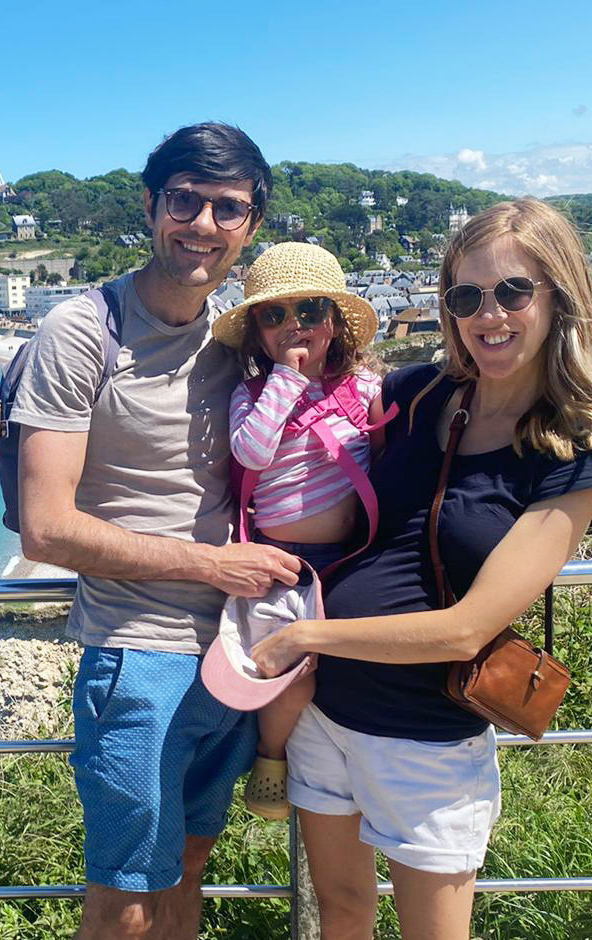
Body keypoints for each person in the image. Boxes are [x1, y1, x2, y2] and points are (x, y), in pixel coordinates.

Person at [250, 198, 592, 940]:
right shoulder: (421, 394)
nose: (490, 314)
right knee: (342, 917)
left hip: (425, 735)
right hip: (326, 716)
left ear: (560, 297)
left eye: (514, 291)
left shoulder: (576, 452)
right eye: (466, 296)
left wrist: (303, 640)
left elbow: (468, 629)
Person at [11, 122, 301, 940]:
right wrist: (214, 565)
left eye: (228, 208)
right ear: (149, 204)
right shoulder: (81, 330)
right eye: (185, 200)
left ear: (251, 225)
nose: (203, 225)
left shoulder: (237, 333)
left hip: (238, 653)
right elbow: (46, 527)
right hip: (137, 654)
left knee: (191, 872)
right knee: (128, 901)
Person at [211, 241, 382, 819]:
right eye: (274, 315)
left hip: (346, 559)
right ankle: (271, 755)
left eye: (309, 311)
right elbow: (252, 450)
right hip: (280, 561)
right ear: (257, 330)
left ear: (334, 323)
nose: (293, 326)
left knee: (351, 672)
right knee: (294, 673)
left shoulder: (359, 389)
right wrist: (285, 381)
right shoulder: (252, 394)